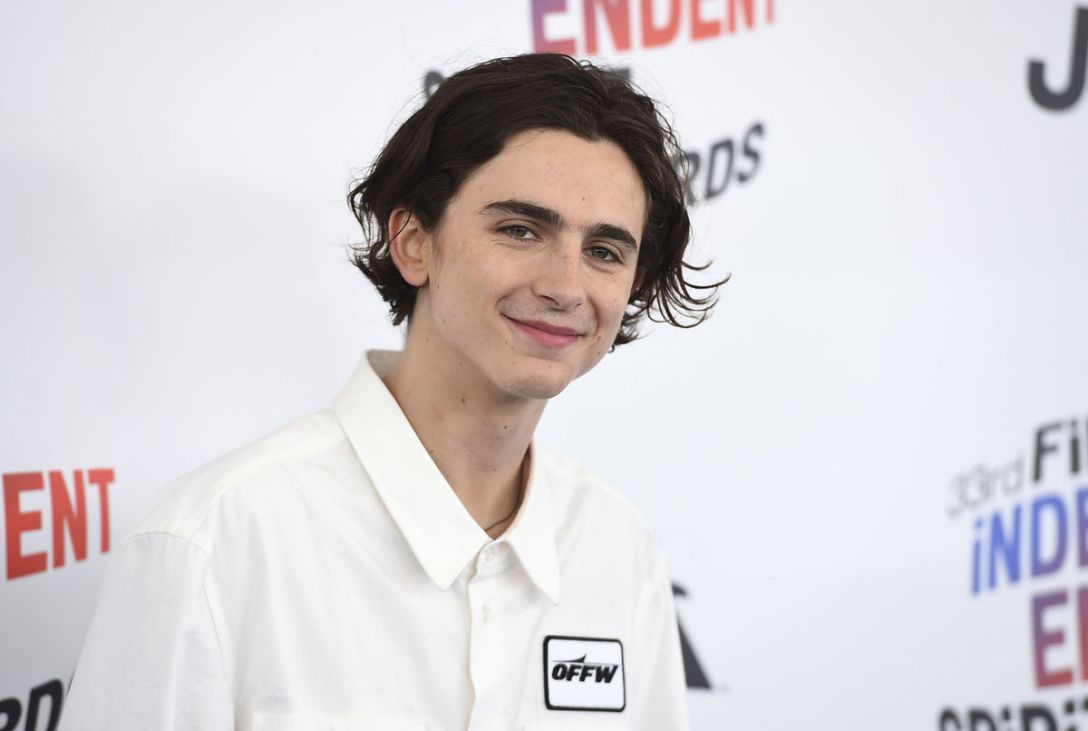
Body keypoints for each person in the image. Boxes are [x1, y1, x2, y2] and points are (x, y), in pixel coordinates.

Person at [61, 53, 724, 730]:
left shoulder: (617, 547)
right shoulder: (216, 539)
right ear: (413, 244)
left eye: (604, 251)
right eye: (520, 230)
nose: (564, 285)